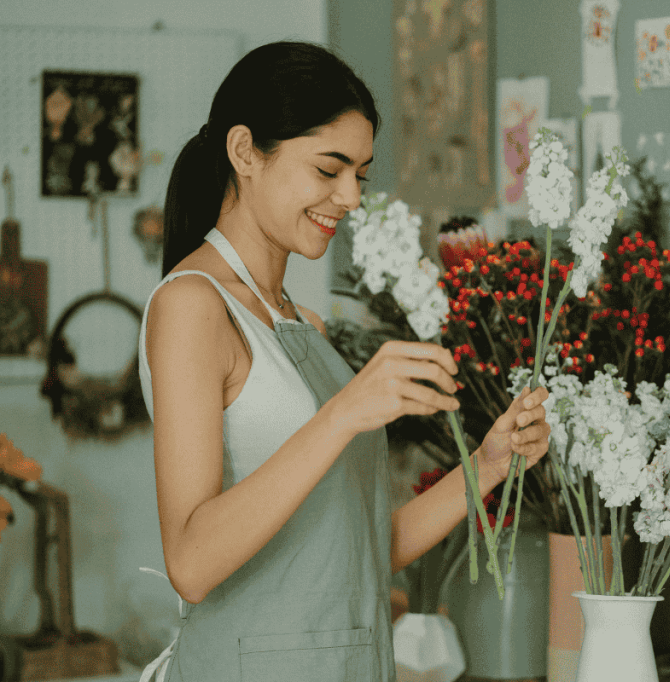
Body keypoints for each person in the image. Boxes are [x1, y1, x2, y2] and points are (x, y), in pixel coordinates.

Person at [137, 41, 551, 682]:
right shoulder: (194, 305)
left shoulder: (305, 326)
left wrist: (489, 466)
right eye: (329, 169)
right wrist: (343, 413)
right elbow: (190, 563)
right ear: (245, 152)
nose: (351, 197)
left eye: (360, 172)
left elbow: (361, 548)